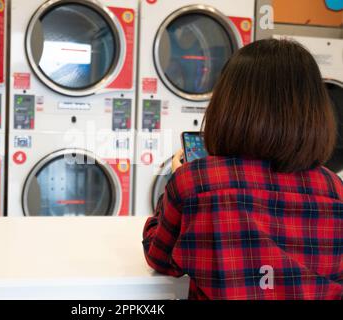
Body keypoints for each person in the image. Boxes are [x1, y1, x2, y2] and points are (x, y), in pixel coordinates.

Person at [143, 39, 342, 300]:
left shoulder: (196, 181)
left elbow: (159, 257)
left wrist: (175, 181)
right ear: (315, 112)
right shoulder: (334, 189)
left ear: (227, 107)